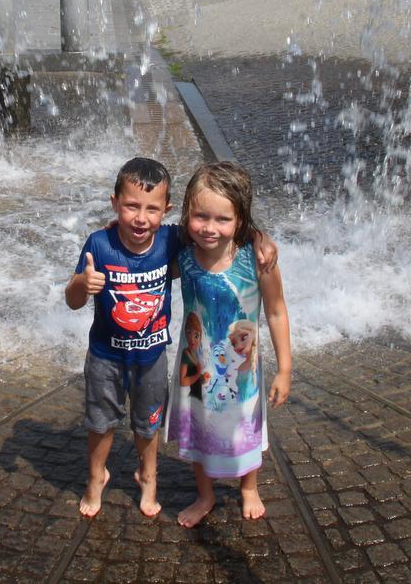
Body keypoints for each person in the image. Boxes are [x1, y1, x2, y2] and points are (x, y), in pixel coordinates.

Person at [65, 157, 276, 519]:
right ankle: (97, 477)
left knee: (154, 424)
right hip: (109, 356)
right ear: (115, 203)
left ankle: (154, 478)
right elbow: (72, 299)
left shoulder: (171, 239)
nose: (140, 218)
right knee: (102, 423)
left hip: (158, 358)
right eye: (131, 206)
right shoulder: (102, 244)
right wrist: (84, 283)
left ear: (166, 210)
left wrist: (258, 235)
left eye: (152, 209)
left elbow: (220, 226)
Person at [165, 162, 292, 528]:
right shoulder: (184, 257)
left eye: (222, 219)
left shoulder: (257, 259)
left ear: (240, 221)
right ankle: (204, 495)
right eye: (200, 216)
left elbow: (277, 312)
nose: (209, 227)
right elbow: (145, 247)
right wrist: (118, 231)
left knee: (243, 424)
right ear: (187, 212)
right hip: (195, 361)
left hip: (241, 366)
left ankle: (248, 486)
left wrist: (285, 368)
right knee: (200, 425)